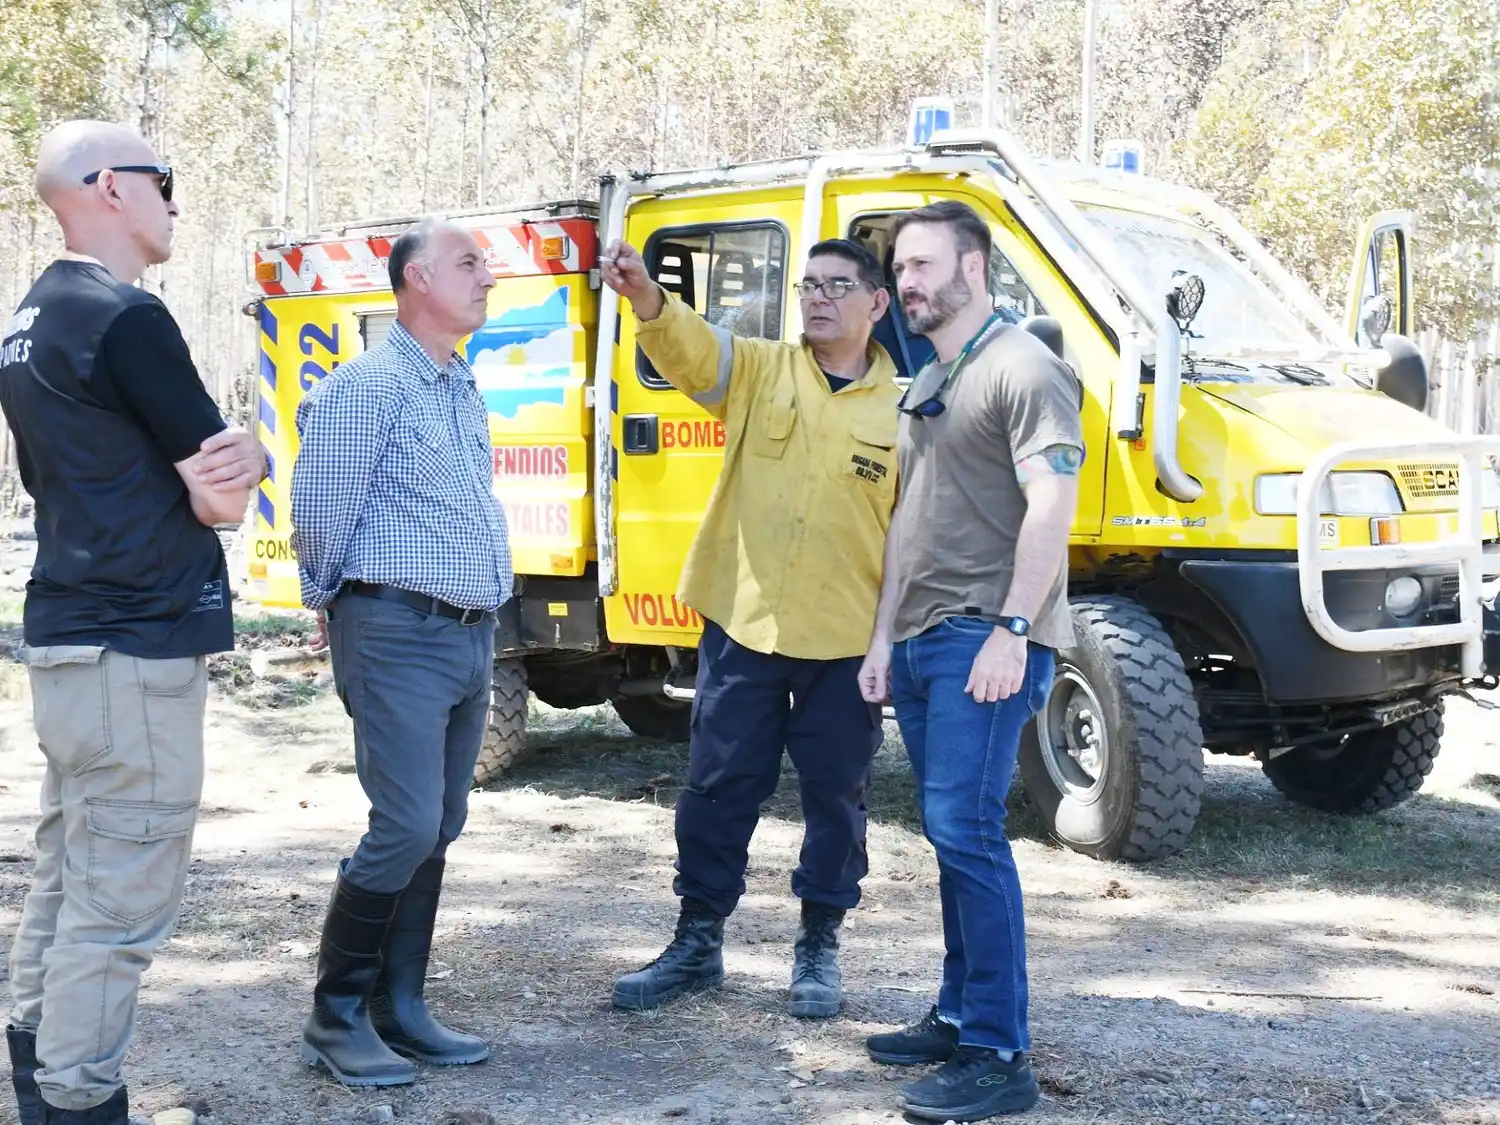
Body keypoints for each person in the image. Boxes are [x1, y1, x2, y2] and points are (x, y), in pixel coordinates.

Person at [0, 120, 265, 1125]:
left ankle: (41, 1080)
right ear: (111, 186)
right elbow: (222, 498)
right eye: (164, 179)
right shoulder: (124, 317)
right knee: (118, 905)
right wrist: (248, 457)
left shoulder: (30, 318)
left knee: (69, 878)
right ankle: (77, 1100)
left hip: (70, 643)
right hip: (136, 645)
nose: (175, 201)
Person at [600, 236, 901, 1019]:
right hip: (746, 623)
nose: (818, 297)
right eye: (809, 285)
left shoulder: (904, 413)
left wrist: (889, 641)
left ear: (878, 303)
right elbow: (691, 350)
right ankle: (697, 941)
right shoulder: (761, 369)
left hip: (845, 640)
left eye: (837, 286)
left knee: (837, 799)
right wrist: (646, 298)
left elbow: (909, 538)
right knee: (718, 787)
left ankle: (819, 946)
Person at [858, 200, 1082, 1122]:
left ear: (975, 266)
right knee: (949, 833)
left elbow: (1052, 505)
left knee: (968, 830)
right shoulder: (933, 373)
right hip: (921, 640)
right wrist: (883, 637)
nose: (904, 282)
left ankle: (999, 1051)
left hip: (983, 636)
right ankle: (957, 1014)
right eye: (900, 269)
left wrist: (1014, 628)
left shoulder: (1025, 367)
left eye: (921, 265)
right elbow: (906, 518)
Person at [289, 218, 512, 1087]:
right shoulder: (368, 386)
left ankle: (399, 1007)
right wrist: (330, 606)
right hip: (395, 630)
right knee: (407, 822)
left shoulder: (459, 385)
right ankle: (335, 1015)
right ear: (417, 279)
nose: (485, 276)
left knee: (441, 822)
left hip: (469, 633)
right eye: (468, 263)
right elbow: (321, 512)